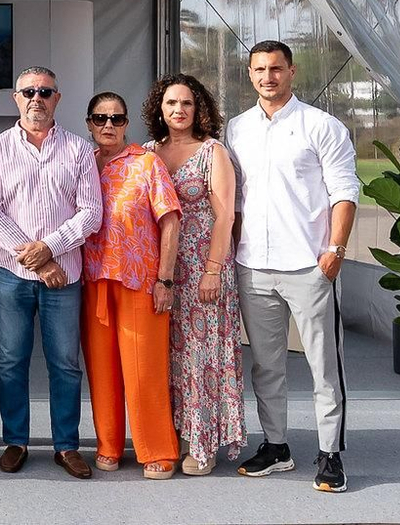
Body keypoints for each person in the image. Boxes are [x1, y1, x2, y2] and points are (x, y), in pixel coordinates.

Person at [225, 40, 358, 494]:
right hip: (253, 266)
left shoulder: (321, 126)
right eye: (260, 69)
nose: (268, 77)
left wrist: (335, 250)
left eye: (276, 69)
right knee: (266, 366)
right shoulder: (237, 129)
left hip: (309, 266)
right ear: (250, 74)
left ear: (292, 71)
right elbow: (236, 198)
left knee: (325, 366)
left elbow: (345, 191)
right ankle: (276, 446)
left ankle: (330, 453)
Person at [0, 65, 102, 479]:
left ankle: (67, 445)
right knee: (11, 359)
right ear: (16, 98)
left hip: (65, 275)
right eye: (28, 92)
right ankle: (16, 441)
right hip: (12, 274)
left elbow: (91, 212)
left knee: (65, 362)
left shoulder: (79, 150)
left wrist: (51, 248)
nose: (36, 99)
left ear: (57, 99)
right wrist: (39, 259)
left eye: (45, 92)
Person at [145, 73, 245, 475]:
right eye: (171, 103)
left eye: (186, 103)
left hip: (205, 268)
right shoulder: (148, 152)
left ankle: (202, 444)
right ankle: (170, 437)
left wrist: (213, 271)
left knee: (201, 357)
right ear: (159, 108)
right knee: (167, 356)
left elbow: (226, 216)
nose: (179, 110)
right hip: (163, 271)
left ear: (198, 108)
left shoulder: (212, 152)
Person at [80, 90, 182, 479]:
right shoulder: (82, 164)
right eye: (100, 118)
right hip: (94, 280)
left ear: (126, 123)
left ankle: (157, 448)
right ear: (89, 123)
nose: (108, 125)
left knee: (144, 370)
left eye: (117, 118)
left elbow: (170, 221)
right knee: (102, 370)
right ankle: (108, 443)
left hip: (139, 280)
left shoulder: (146, 163)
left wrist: (165, 279)